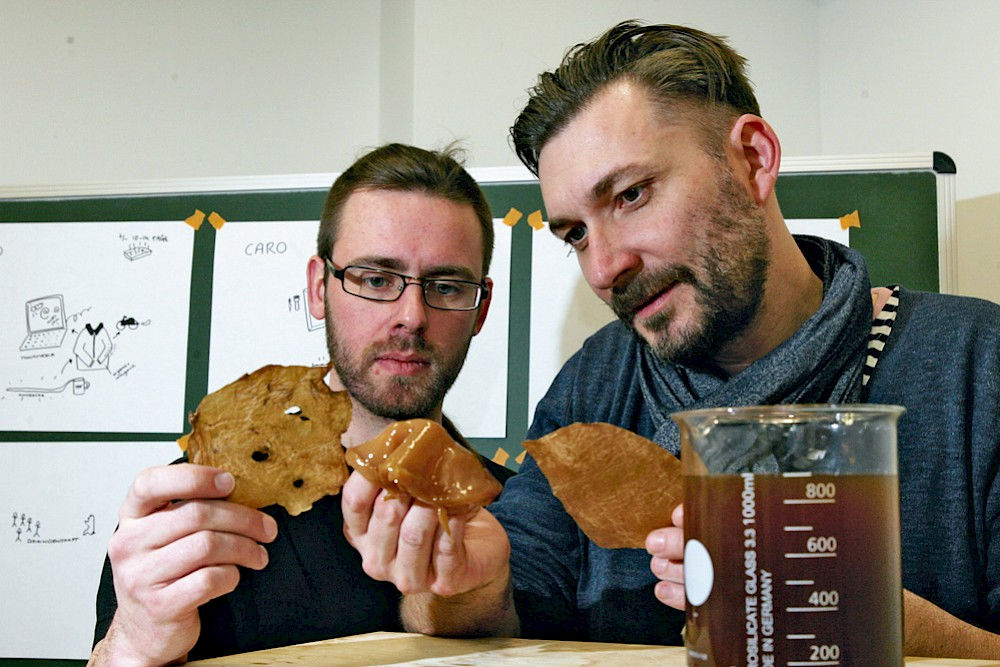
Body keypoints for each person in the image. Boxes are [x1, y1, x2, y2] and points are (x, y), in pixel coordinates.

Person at [341, 21, 1000, 657]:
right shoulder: (593, 387)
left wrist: (860, 611)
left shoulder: (975, 365)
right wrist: (457, 585)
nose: (604, 268)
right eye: (575, 233)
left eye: (630, 195)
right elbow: (501, 602)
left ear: (752, 159)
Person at [88, 143, 514, 665]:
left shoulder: (520, 513)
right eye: (376, 279)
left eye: (446, 287)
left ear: (481, 308)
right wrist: (129, 645)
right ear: (318, 288)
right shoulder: (190, 518)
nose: (412, 316)